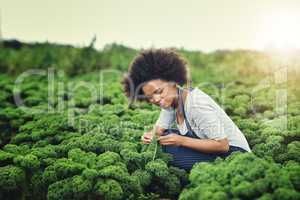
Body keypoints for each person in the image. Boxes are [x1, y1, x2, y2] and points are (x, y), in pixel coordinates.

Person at [122, 48, 251, 171]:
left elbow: (222, 146)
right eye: (150, 97)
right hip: (217, 147)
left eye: (159, 91)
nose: (155, 99)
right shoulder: (171, 101)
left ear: (173, 82)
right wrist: (150, 135)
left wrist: (181, 140)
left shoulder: (195, 104)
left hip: (234, 154)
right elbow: (159, 130)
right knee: (164, 138)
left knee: (166, 151)